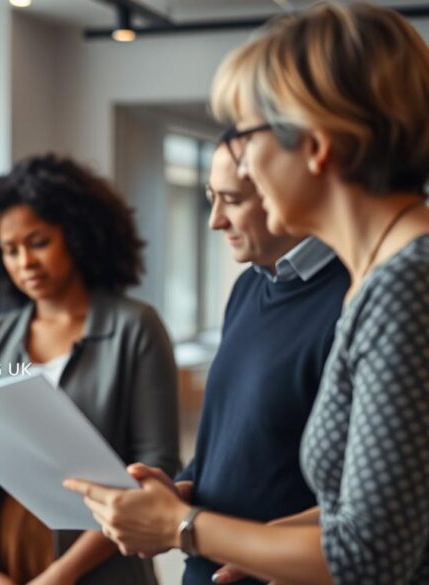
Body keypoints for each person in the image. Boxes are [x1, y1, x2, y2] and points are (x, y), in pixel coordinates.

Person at [64, 4, 429, 584]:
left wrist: (182, 528)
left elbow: (371, 555)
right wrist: (264, 538)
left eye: (249, 135)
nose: (245, 164)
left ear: (316, 143)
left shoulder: (406, 283)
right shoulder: (390, 273)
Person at [0, 154, 180, 585]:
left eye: (38, 242)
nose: (25, 263)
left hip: (103, 565)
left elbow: (154, 466)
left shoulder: (136, 328)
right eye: (10, 250)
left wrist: (61, 576)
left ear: (76, 234)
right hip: (5, 562)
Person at [176, 142, 349, 585]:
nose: (215, 221)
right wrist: (182, 489)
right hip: (204, 568)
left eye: (232, 200)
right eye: (211, 198)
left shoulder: (359, 297)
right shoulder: (249, 287)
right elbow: (232, 436)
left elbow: (377, 494)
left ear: (285, 188)